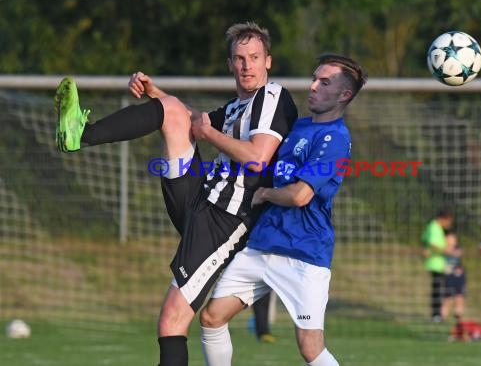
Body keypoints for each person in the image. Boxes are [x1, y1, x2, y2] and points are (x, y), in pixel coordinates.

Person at [53, 22, 298, 366]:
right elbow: (190, 120)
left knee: (172, 319)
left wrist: (209, 134)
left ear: (268, 61)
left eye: (254, 57)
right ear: (230, 64)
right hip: (200, 198)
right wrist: (157, 93)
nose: (247, 66)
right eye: (239, 59)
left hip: (226, 221)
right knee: (171, 110)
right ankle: (81, 134)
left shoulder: (273, 96)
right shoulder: (234, 107)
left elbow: (258, 159)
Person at [199, 53, 368, 366]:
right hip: (263, 245)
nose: (313, 86)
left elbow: (301, 195)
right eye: (314, 78)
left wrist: (264, 193)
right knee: (211, 317)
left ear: (344, 94)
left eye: (324, 82)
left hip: (303, 254)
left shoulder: (335, 139)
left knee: (310, 348)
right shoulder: (297, 126)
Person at [421, 206, 454, 322]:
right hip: (435, 263)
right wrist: (446, 250)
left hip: (439, 263)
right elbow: (433, 244)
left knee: (439, 289)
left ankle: (438, 314)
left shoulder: (436, 227)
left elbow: (424, 239)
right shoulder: (434, 227)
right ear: (444, 218)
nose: (449, 224)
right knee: (437, 290)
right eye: (449, 221)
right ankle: (436, 315)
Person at [441, 231, 466, 322]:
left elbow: (459, 253)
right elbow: (446, 251)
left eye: (453, 239)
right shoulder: (443, 248)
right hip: (448, 275)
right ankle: (443, 316)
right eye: (449, 239)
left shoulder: (458, 248)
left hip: (458, 275)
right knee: (447, 297)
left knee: (459, 296)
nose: (451, 241)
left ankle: (458, 316)